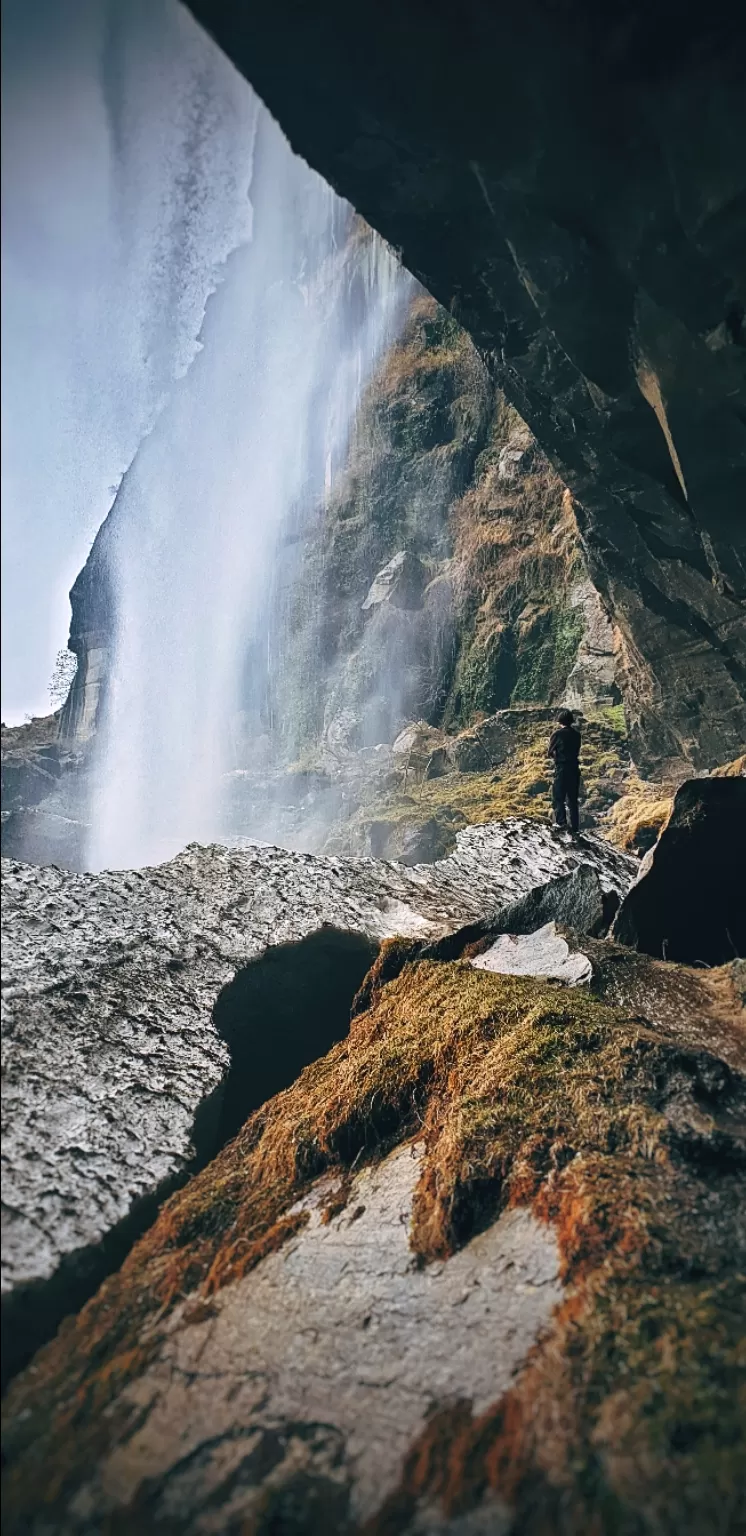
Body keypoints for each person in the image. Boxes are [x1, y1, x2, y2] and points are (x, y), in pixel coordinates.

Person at [548, 708, 581, 834]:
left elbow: (550, 752)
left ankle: (562, 824)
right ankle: (575, 827)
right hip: (574, 769)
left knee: (558, 797)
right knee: (573, 799)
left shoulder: (557, 734)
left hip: (562, 768)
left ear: (560, 721)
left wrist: (557, 758)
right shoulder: (577, 735)